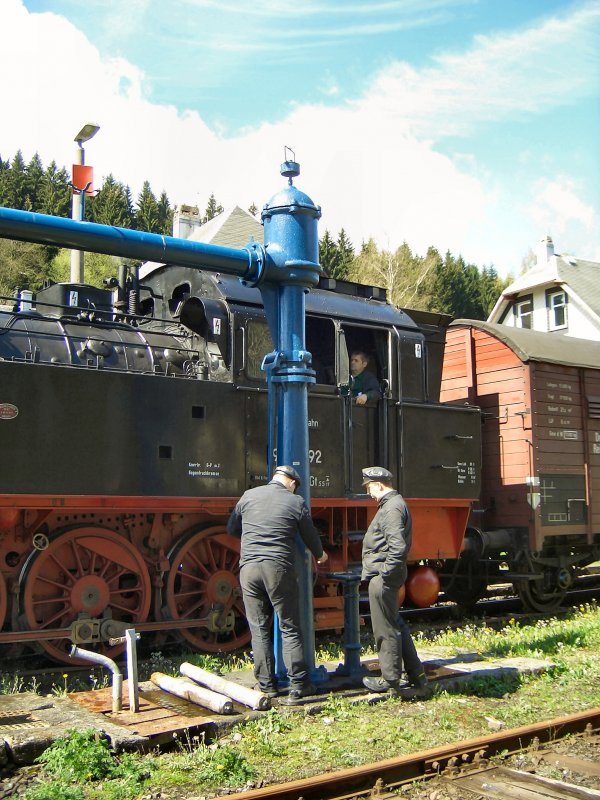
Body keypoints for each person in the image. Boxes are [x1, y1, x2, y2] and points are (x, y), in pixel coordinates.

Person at [227, 465, 328, 705]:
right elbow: (309, 535)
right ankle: (298, 685)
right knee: (289, 626)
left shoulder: (249, 495)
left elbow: (232, 529)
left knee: (259, 628)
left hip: (249, 568)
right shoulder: (295, 502)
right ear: (292, 483)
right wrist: (320, 555)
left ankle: (267, 686)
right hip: (277, 568)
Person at [360, 466, 431, 699]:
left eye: (370, 487)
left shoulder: (390, 508)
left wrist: (385, 573)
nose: (369, 493)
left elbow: (397, 546)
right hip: (385, 575)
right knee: (396, 623)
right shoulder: (393, 505)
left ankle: (390, 680)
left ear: (379, 485)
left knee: (385, 628)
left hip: (383, 576)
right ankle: (417, 677)